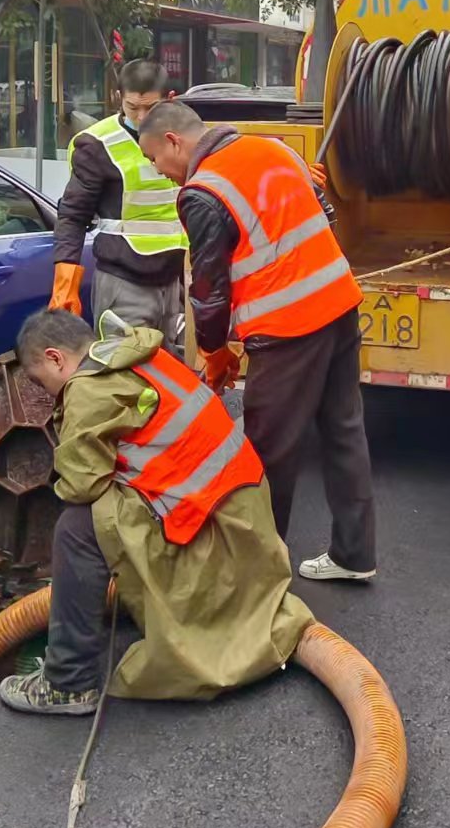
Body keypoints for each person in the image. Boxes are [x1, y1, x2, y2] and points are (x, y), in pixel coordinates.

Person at [0, 310, 313, 713]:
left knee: (77, 528)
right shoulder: (139, 353)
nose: (47, 395)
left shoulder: (90, 387)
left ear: (56, 358)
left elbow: (81, 486)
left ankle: (68, 684)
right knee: (108, 505)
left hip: (212, 531)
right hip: (243, 516)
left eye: (42, 381)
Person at [139, 101, 378, 583]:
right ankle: (354, 555)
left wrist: (214, 351)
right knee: (344, 431)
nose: (159, 173)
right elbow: (323, 215)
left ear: (173, 142)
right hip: (338, 301)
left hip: (288, 328)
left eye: (153, 160)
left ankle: (257, 575)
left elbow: (208, 288)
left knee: (268, 450)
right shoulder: (274, 150)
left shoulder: (202, 191)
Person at [52, 60, 188, 352]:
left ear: (171, 99)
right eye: (132, 107)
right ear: (118, 99)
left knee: (179, 377)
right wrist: (66, 284)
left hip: (177, 281)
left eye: (150, 108)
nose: (140, 118)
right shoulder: (97, 145)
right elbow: (73, 216)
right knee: (127, 377)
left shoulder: (184, 137)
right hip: (125, 280)